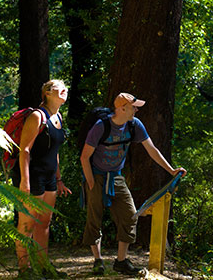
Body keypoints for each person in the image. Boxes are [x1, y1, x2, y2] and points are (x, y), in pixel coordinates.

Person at [79, 92, 187, 275]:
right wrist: (90, 182)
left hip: (116, 176)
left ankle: (121, 261)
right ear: (122, 108)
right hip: (96, 176)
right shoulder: (101, 126)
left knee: (130, 215)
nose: (136, 110)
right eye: (134, 107)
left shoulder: (134, 125)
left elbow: (152, 150)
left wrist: (171, 170)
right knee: (94, 218)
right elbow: (84, 156)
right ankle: (97, 261)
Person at [13, 80, 72, 279]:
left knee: (44, 223)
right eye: (59, 87)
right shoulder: (37, 116)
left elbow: (54, 151)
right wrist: (24, 181)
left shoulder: (58, 117)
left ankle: (42, 266)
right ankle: (24, 270)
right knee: (27, 225)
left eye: (66, 87)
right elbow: (25, 150)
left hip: (50, 179)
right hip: (33, 176)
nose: (65, 89)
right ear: (47, 92)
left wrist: (59, 178)